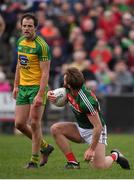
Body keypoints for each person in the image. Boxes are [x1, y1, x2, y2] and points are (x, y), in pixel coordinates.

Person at [48, 67, 130, 170]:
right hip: (81, 128)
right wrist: (49, 94)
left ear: (69, 85)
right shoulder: (68, 89)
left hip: (95, 131)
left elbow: (98, 126)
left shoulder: (86, 101)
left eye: (65, 79)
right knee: (55, 128)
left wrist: (91, 149)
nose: (63, 81)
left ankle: (115, 156)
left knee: (99, 167)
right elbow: (56, 94)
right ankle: (73, 163)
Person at [13, 13, 54, 169]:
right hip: (23, 87)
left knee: (35, 123)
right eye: (24, 25)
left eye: (30, 26)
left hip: (37, 88)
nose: (26, 28)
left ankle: (34, 161)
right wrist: (16, 85)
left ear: (35, 27)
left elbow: (45, 73)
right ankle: (45, 146)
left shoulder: (42, 46)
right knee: (19, 124)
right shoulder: (20, 42)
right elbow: (19, 65)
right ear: (21, 26)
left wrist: (39, 94)